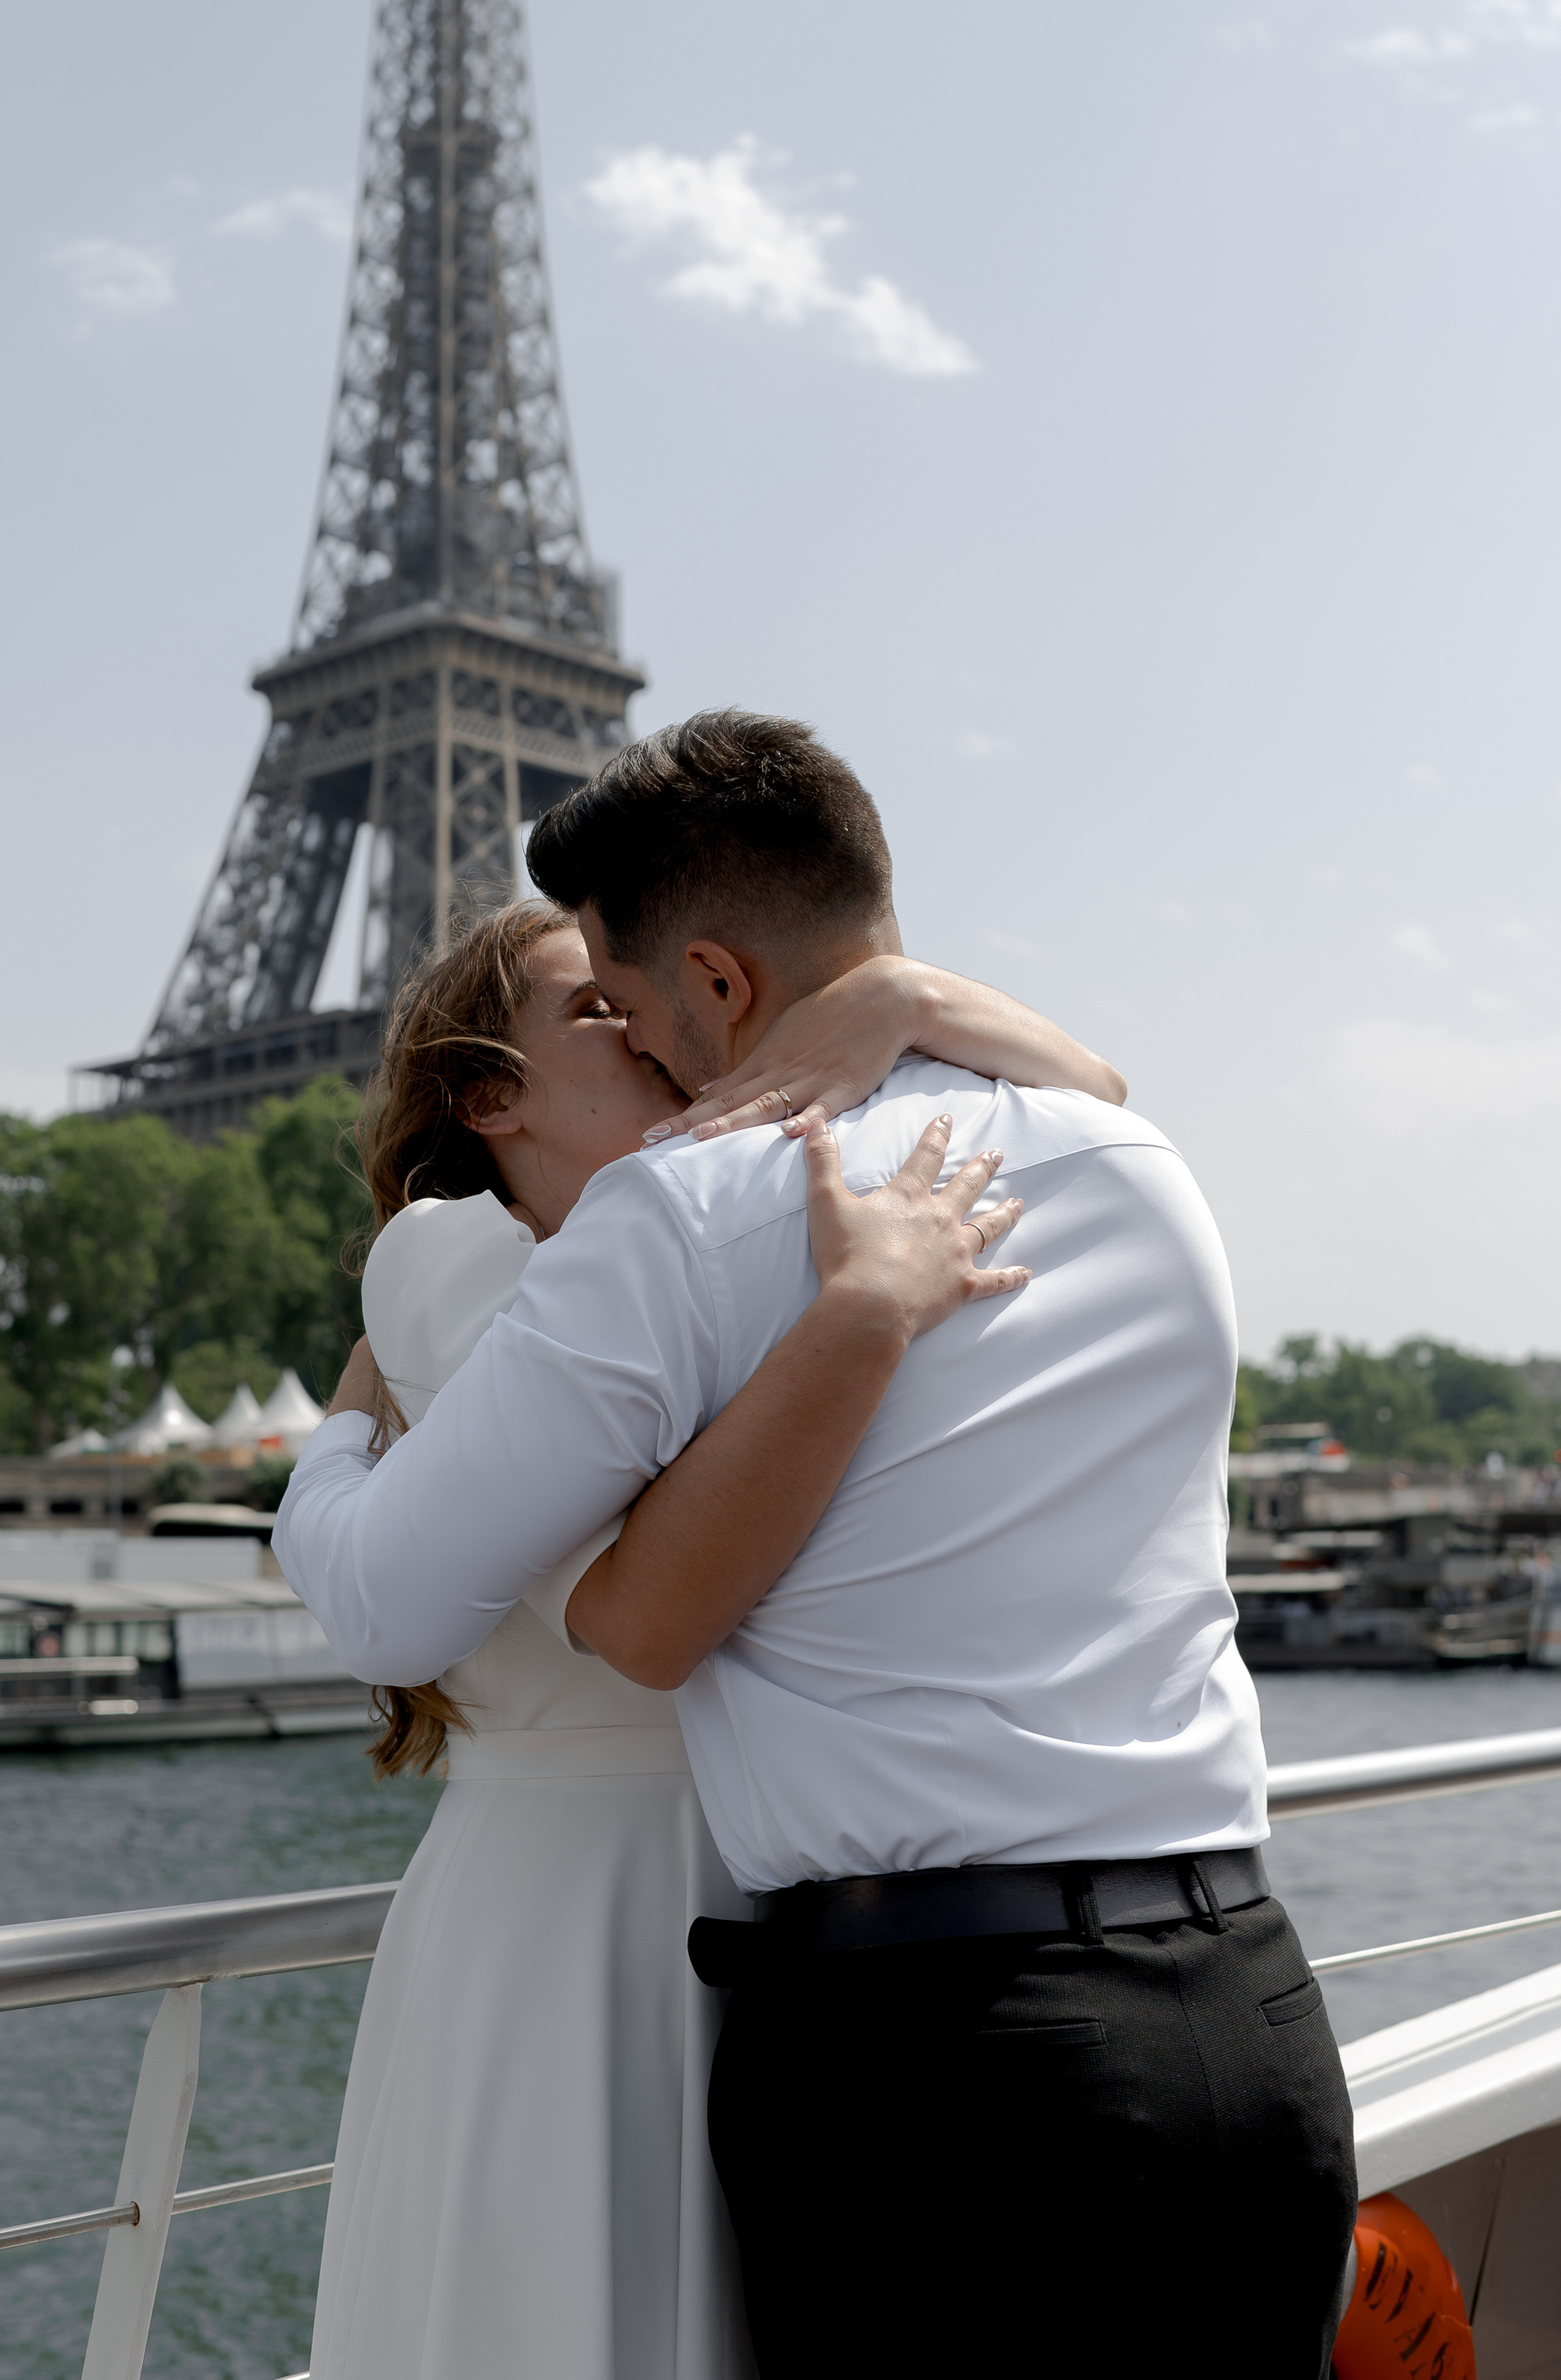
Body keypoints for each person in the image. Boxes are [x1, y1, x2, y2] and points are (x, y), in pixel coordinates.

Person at [281, 710, 1359, 2378]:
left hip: (940, 2062)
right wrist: (906, 1005)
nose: (645, 1051)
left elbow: (604, 1626)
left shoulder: (684, 1213)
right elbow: (1092, 1079)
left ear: (712, 979)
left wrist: (345, 1424)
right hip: (1242, 2007)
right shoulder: (1134, 1162)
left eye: (634, 1003)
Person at [297, 897, 1118, 2380]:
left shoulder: (712, 1259)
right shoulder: (448, 1253)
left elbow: (1095, 1098)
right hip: (582, 1912)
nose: (649, 1018)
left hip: (754, 1891)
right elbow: (640, 1597)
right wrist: (329, 1460)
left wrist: (894, 998)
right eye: (595, 1009)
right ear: (490, 1095)